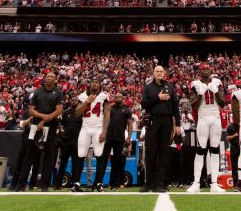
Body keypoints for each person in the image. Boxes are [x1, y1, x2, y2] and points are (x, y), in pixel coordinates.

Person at [14, 72, 64, 191]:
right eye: (48, 77)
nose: (49, 78)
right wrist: (43, 117)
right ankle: (20, 185)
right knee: (29, 156)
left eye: (52, 77)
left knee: (49, 157)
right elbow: (31, 110)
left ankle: (45, 185)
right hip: (36, 126)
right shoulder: (37, 92)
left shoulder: (58, 92)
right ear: (45, 79)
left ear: (55, 79)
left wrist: (48, 117)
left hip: (51, 125)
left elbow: (59, 110)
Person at [140, 65, 181, 193]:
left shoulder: (170, 87)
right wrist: (158, 98)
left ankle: (159, 183)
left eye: (161, 71)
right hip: (152, 121)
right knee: (150, 153)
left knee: (164, 153)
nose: (159, 73)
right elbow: (144, 104)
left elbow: (175, 106)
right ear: (153, 73)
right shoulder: (148, 87)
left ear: (164, 73)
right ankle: (148, 183)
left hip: (167, 121)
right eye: (157, 71)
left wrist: (178, 124)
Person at [186, 64, 226, 193]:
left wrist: (215, 91)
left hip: (215, 117)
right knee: (200, 149)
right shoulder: (195, 84)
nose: (205, 70)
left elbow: (222, 103)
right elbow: (194, 106)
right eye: (203, 69)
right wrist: (199, 95)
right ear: (199, 71)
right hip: (203, 117)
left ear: (211, 70)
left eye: (207, 69)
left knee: (214, 149)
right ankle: (196, 183)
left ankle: (214, 183)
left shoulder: (217, 82)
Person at [71, 80, 109, 191]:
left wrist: (104, 131)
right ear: (89, 84)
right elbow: (77, 113)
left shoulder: (104, 96)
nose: (95, 84)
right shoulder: (82, 96)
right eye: (93, 82)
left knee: (100, 155)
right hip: (85, 128)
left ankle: (99, 183)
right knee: (80, 154)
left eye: (97, 82)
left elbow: (107, 114)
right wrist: (87, 101)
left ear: (100, 84)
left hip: (98, 128)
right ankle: (76, 183)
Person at [94, 91, 132, 189]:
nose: (118, 98)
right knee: (103, 160)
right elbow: (103, 121)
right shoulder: (109, 108)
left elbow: (130, 124)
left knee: (116, 162)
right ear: (114, 98)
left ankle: (113, 184)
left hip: (120, 138)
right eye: (116, 97)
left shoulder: (127, 110)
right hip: (108, 138)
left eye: (120, 97)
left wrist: (129, 137)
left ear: (122, 98)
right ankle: (99, 182)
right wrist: (103, 133)